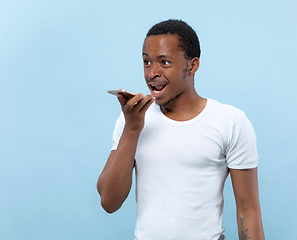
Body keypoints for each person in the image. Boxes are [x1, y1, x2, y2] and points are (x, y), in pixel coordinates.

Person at [97, 19, 265, 240]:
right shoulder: (132, 118)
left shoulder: (230, 121)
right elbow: (109, 202)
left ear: (192, 65)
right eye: (146, 62)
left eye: (164, 62)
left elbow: (248, 211)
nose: (152, 73)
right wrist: (132, 130)